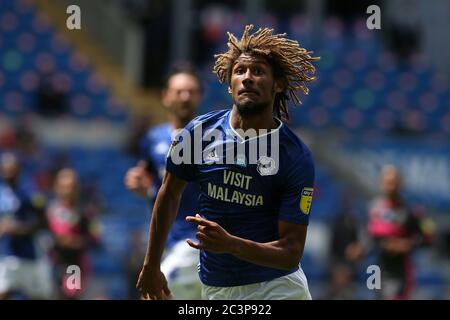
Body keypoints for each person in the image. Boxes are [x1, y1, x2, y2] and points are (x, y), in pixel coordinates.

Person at [136, 24, 319, 300]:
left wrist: (231, 244)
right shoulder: (198, 134)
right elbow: (169, 193)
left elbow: (291, 254)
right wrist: (151, 264)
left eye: (258, 71)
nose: (247, 78)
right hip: (217, 288)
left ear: (278, 84)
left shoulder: (294, 156)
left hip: (276, 287)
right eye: (240, 71)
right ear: (229, 82)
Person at [124, 65, 203, 299]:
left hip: (197, 242)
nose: (185, 97)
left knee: (152, 294)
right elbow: (149, 178)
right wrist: (140, 185)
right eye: (179, 91)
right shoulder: (153, 139)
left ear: (199, 96)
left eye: (191, 91)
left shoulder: (215, 138)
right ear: (166, 96)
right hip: (166, 243)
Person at [367, 165, 434, 300]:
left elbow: (428, 236)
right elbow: (372, 239)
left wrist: (407, 244)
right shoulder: (375, 208)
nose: (390, 186)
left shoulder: (410, 211)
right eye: (387, 182)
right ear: (381, 183)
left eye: (393, 182)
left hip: (400, 273)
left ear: (400, 184)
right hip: (376, 271)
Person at [0, 152, 53, 299]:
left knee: (41, 295)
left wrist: (20, 228)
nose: (7, 172)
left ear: (18, 170)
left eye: (11, 168)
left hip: (28, 256)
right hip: (5, 255)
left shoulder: (31, 193)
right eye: (4, 168)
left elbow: (44, 223)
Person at [46, 168, 100, 299]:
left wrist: (78, 241)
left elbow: (96, 239)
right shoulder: (49, 210)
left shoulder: (85, 212)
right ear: (56, 187)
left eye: (72, 187)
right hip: (52, 263)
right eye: (64, 187)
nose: (68, 190)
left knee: (70, 295)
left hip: (74, 265)